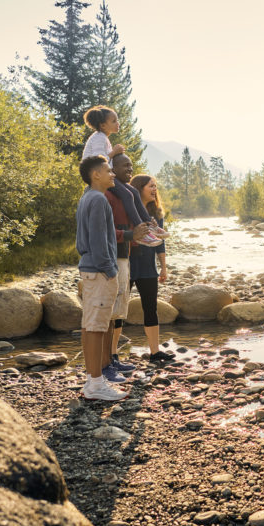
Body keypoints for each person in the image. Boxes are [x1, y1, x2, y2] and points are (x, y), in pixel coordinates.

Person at [75, 155, 127, 401]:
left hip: (90, 269)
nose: (112, 174)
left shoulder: (86, 197)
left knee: (90, 326)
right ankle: (95, 385)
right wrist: (110, 270)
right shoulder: (98, 199)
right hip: (99, 271)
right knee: (97, 327)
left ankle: (92, 380)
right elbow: (98, 240)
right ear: (96, 174)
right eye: (108, 170)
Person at [82, 105, 164, 247]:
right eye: (113, 121)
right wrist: (114, 152)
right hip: (98, 177)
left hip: (105, 175)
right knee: (127, 195)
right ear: (103, 125)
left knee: (133, 192)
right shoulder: (99, 138)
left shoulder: (104, 138)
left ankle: (150, 225)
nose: (117, 123)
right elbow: (97, 162)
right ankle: (143, 233)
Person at [102, 154, 150, 380]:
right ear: (112, 168)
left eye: (131, 165)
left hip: (124, 255)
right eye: (125, 165)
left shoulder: (126, 194)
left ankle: (112, 358)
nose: (130, 168)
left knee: (119, 309)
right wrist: (132, 234)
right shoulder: (108, 196)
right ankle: (105, 363)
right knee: (111, 311)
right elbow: (108, 230)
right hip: (113, 258)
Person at [130, 173, 176, 363]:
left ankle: (155, 352)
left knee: (151, 308)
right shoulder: (128, 209)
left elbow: (160, 243)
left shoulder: (156, 212)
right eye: (151, 185)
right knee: (119, 309)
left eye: (155, 185)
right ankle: (113, 354)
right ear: (139, 188)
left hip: (148, 266)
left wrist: (163, 267)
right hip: (129, 263)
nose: (155, 189)